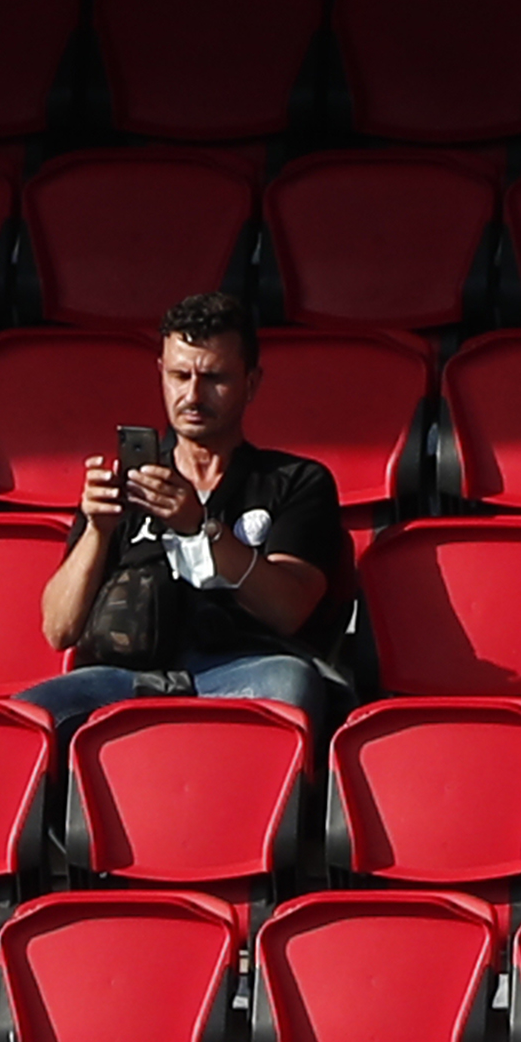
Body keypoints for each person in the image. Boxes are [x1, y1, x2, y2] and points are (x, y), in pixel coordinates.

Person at [26, 291, 361, 726]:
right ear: (161, 374)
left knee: (291, 686)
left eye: (215, 378)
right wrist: (97, 530)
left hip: (247, 666)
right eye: (180, 376)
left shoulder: (296, 481)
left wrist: (200, 530)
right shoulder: (129, 482)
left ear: (252, 383)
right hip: (127, 675)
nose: (194, 395)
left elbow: (288, 609)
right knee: (26, 718)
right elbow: (59, 629)